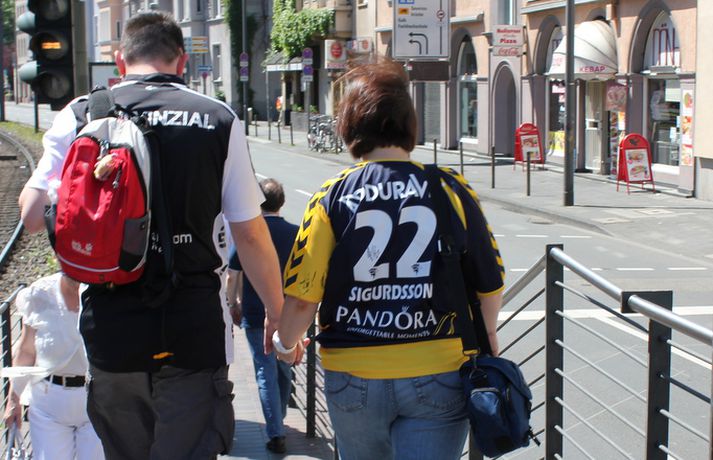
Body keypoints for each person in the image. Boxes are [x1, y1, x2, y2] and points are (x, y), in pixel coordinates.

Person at [17, 12, 284, 459]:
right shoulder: (217, 118)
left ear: (120, 60)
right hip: (193, 326)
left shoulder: (82, 113)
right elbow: (250, 233)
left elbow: (30, 215)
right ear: (181, 60)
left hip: (111, 328)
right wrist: (276, 312)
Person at [273, 59, 505, 460]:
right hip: (439, 366)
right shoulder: (449, 187)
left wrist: (285, 343)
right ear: (410, 124)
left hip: (353, 370)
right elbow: (490, 282)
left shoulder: (331, 195)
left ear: (349, 126)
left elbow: (302, 298)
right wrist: (487, 341)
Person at [226, 178, 298, 454]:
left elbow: (233, 275)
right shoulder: (295, 233)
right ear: (282, 202)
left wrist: (233, 303)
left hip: (255, 313)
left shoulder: (250, 232)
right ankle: (279, 416)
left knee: (264, 370)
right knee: (284, 366)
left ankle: (276, 431)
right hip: (290, 313)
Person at [3, 273, 104, 460]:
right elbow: (27, 351)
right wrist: (14, 399)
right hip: (48, 404)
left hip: (97, 400)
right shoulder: (39, 294)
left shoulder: (106, 291)